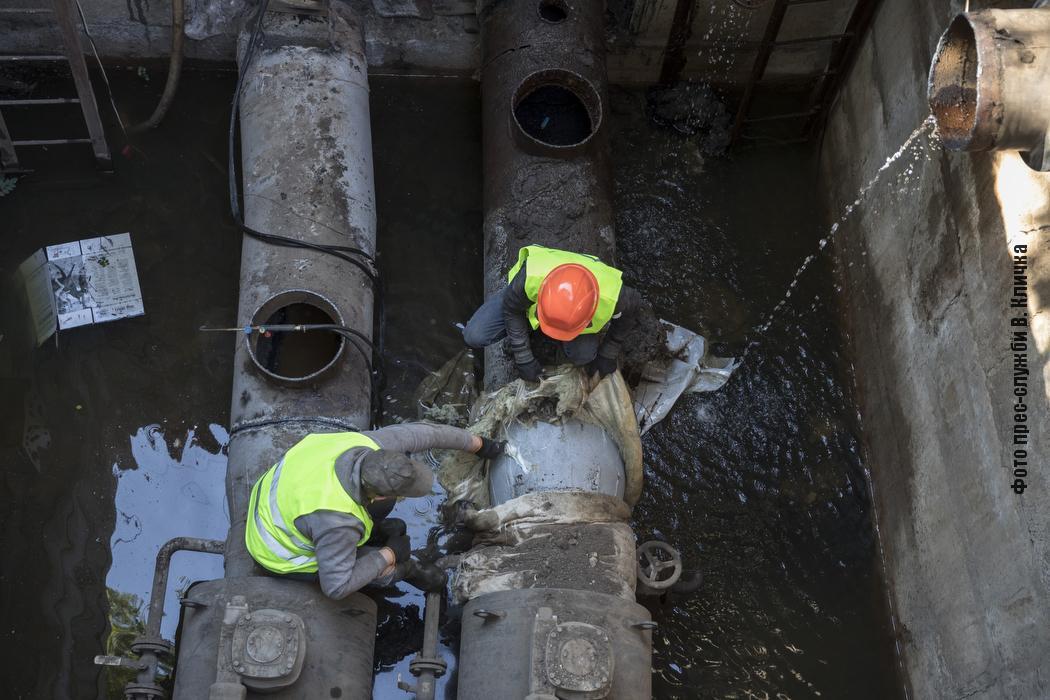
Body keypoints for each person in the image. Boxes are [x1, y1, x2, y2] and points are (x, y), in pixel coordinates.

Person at [245, 423, 505, 598]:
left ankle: (377, 541)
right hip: (279, 550)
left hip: (279, 499)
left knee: (390, 526)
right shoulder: (338, 521)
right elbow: (335, 587)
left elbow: (429, 433)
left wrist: (479, 444)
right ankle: (420, 576)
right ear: (378, 492)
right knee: (387, 570)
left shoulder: (366, 443)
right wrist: (389, 555)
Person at [463, 244, 644, 381]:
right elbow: (512, 310)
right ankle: (530, 335)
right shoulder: (530, 279)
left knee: (584, 355)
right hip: (521, 298)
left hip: (563, 307)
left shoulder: (615, 296)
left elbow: (629, 315)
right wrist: (523, 355)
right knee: (474, 335)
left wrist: (609, 352)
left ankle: (542, 341)